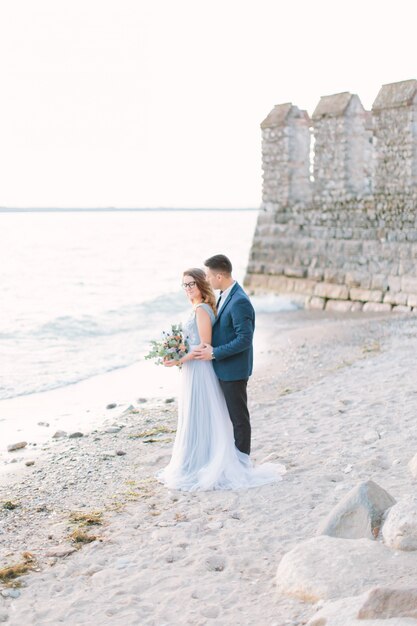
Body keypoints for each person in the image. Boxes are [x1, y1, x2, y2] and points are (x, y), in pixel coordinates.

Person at [157, 267, 285, 491]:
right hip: (194, 369)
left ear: (200, 284)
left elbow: (205, 345)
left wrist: (179, 359)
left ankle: (203, 464)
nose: (187, 289)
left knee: (202, 414)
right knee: (197, 416)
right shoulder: (199, 308)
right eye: (184, 285)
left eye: (191, 284)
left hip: (199, 369)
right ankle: (195, 461)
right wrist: (177, 354)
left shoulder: (201, 310)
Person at [194, 254, 253, 455]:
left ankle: (243, 462)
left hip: (234, 369)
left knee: (238, 419)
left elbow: (244, 339)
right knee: (230, 418)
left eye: (209, 276)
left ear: (219, 277)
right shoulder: (226, 295)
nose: (207, 280)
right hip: (225, 368)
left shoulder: (239, 301)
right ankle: (235, 457)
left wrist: (215, 353)